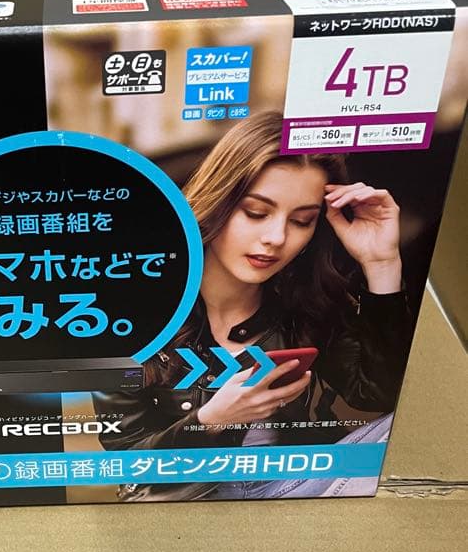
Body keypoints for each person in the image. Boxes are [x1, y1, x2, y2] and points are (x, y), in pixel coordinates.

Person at [93, 111, 412, 500]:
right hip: (192, 505)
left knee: (405, 424)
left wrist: (382, 263)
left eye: (302, 221)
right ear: (218, 202)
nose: (276, 237)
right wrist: (211, 421)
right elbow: (126, 460)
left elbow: (378, 394)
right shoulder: (129, 315)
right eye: (256, 212)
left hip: (294, 488)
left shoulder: (307, 305)